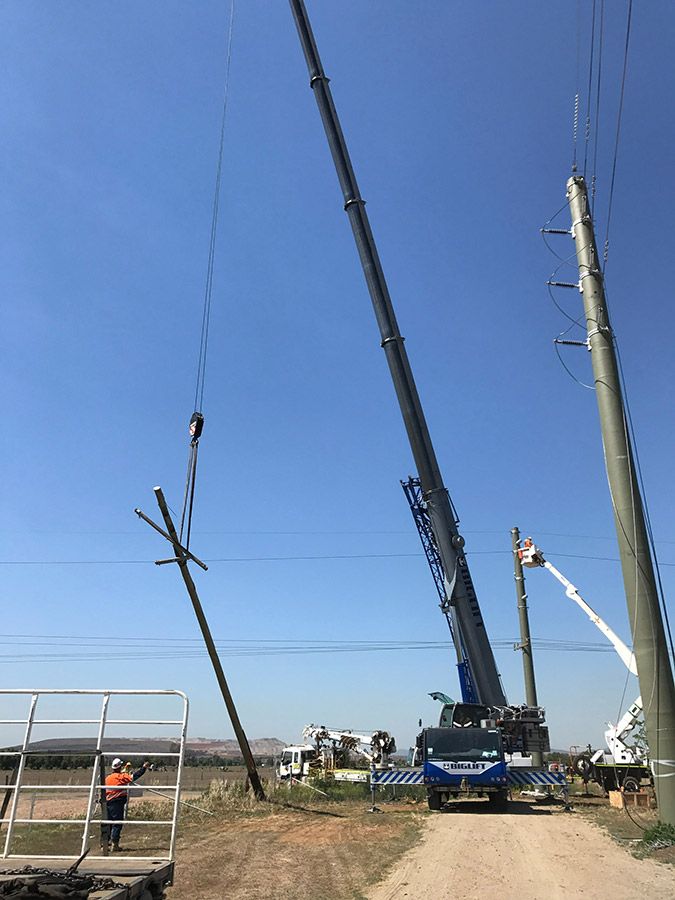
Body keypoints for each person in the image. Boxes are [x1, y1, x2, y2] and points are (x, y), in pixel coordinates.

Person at [104, 757, 150, 851]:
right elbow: (134, 776)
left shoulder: (108, 778)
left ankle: (104, 844)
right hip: (117, 802)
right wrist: (144, 768)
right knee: (117, 823)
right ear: (120, 767)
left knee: (108, 823)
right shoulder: (121, 777)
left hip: (107, 802)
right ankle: (115, 844)